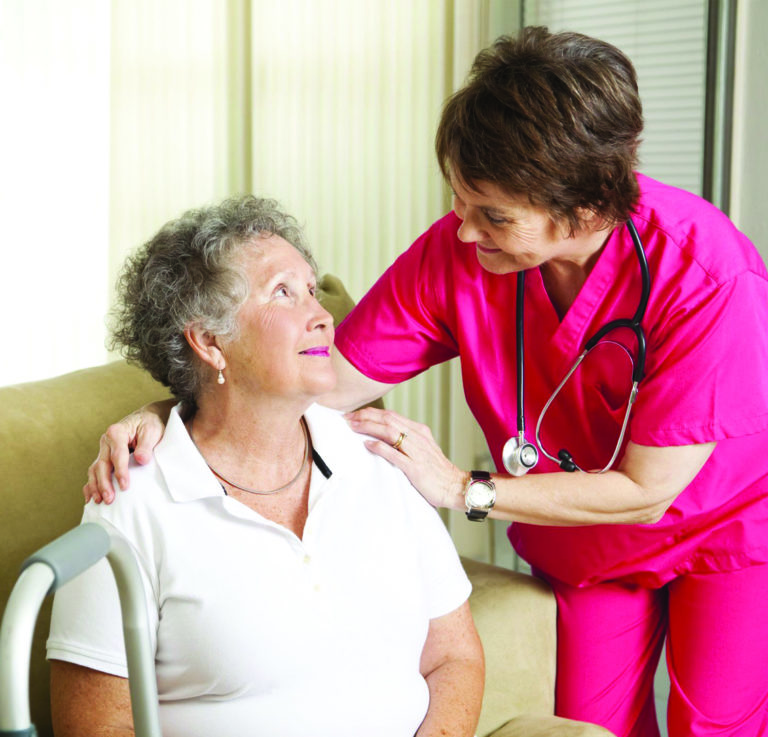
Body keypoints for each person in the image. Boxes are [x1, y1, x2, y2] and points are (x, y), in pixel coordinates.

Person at [84, 27, 768, 737]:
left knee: (716, 726)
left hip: (720, 529)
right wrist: (173, 409)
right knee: (589, 729)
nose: (465, 233)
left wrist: (458, 488)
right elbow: (317, 380)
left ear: (586, 209)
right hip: (588, 545)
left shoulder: (707, 275)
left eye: (495, 215)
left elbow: (647, 490)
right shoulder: (460, 253)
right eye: (461, 201)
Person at [48, 195, 484, 737]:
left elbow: (455, 658)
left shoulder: (379, 457)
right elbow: (95, 729)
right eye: (284, 293)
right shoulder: (129, 504)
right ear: (210, 341)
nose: (323, 315)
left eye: (311, 289)